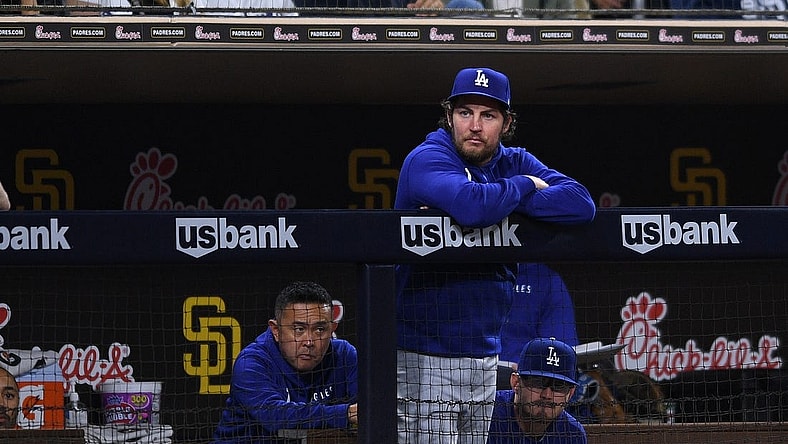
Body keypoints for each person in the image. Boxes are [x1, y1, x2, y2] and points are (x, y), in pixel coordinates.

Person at [395, 67, 595, 444]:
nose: (474, 125)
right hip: (423, 354)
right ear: (449, 116)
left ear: (505, 123)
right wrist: (523, 189)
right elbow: (471, 207)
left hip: (485, 357)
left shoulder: (513, 160)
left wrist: (502, 197)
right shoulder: (428, 158)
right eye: (465, 112)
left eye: (488, 115)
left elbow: (580, 203)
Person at [212, 281, 358, 444]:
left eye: (319, 329)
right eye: (299, 329)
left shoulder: (344, 355)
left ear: (332, 329)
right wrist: (345, 414)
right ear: (276, 330)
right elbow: (276, 418)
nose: (309, 341)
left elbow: (369, 408)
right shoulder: (252, 362)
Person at [488, 337, 587, 444]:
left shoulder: (572, 434)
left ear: (570, 393)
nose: (547, 395)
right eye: (538, 383)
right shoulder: (487, 415)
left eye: (559, 386)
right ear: (516, 382)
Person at [497, 263, 579, 390]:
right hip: (473, 375)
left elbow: (560, 349)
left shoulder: (546, 280)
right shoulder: (468, 273)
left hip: (529, 384)